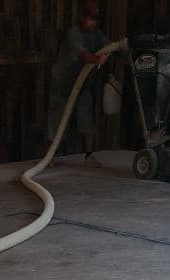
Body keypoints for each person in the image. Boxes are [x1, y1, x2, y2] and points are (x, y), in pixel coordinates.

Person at [47, 3, 110, 161]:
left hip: (81, 86)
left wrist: (116, 48)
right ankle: (49, 158)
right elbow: (83, 55)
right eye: (90, 19)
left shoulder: (96, 34)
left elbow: (109, 45)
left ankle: (89, 155)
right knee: (57, 122)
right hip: (62, 85)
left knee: (87, 119)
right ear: (82, 17)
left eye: (95, 19)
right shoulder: (73, 34)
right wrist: (98, 60)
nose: (93, 23)